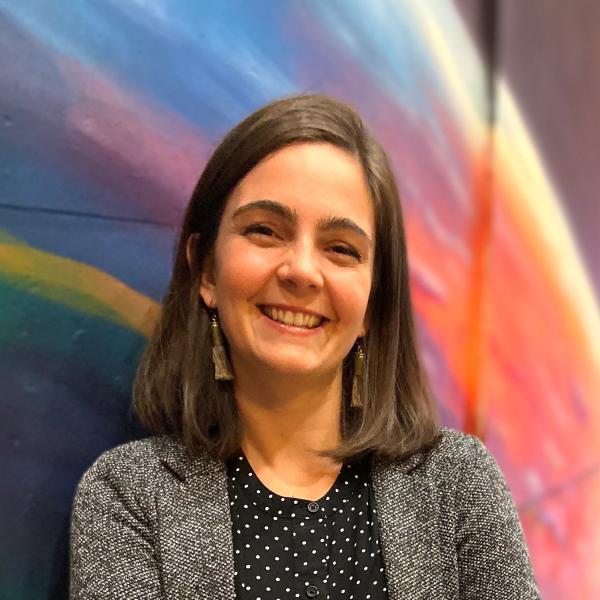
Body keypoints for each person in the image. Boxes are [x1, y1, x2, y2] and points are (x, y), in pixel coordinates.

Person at [69, 94, 540, 599]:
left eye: (341, 248)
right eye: (265, 231)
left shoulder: (458, 486)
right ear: (206, 269)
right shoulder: (129, 498)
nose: (301, 271)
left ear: (373, 304)